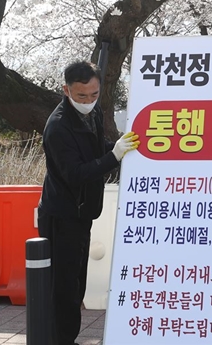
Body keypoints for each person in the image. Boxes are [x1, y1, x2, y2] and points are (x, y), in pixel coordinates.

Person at [38, 61, 140, 345]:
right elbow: (75, 173)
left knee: (76, 285)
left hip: (82, 214)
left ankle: (66, 338)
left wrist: (118, 147)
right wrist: (114, 156)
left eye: (94, 95)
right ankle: (61, 340)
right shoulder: (58, 127)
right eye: (81, 96)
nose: (88, 101)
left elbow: (96, 148)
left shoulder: (92, 114)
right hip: (62, 215)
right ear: (66, 90)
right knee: (64, 288)